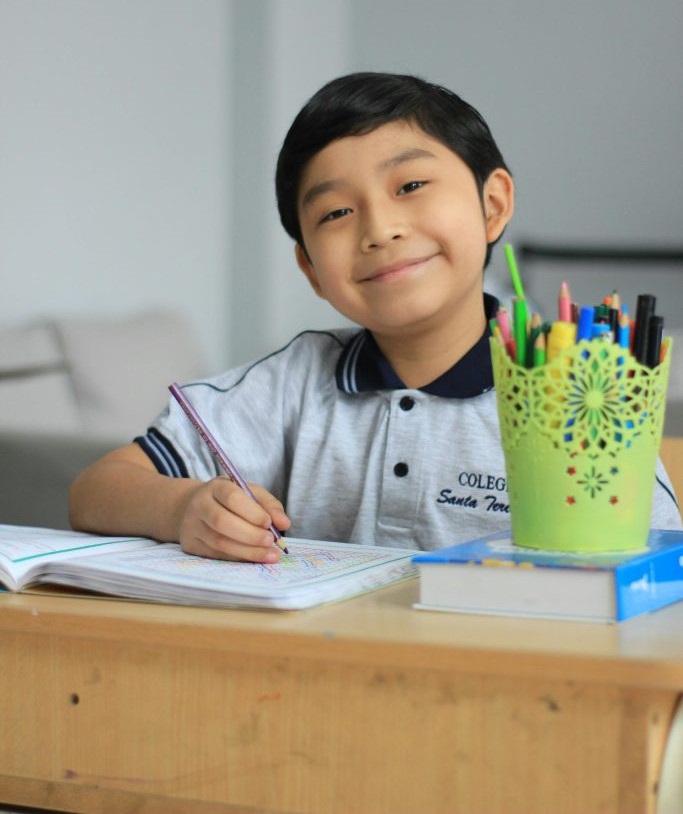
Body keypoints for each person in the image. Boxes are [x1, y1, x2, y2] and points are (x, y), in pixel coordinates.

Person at [69, 72, 681, 559]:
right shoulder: (293, 384)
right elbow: (95, 490)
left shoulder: (573, 384)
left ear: (492, 205)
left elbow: (654, 557)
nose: (380, 229)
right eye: (335, 213)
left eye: (410, 186)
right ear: (310, 268)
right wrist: (182, 509)